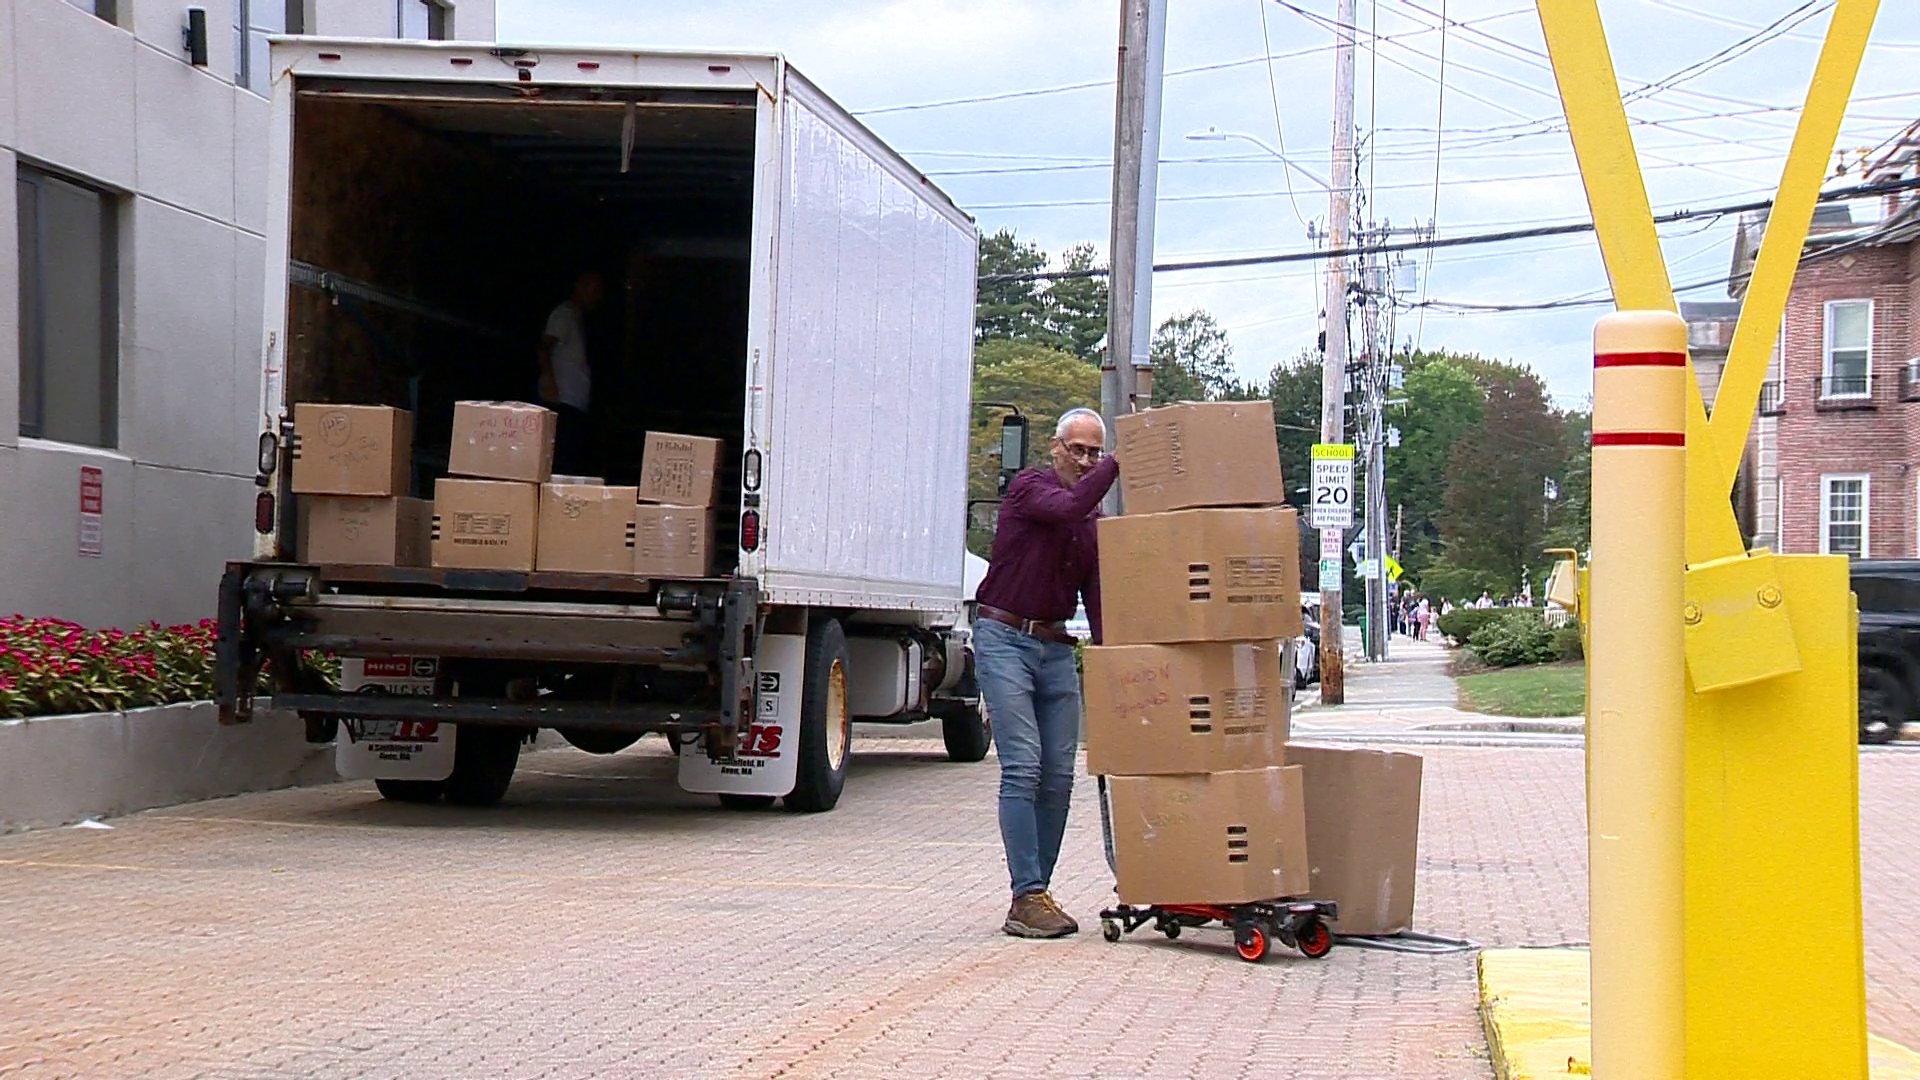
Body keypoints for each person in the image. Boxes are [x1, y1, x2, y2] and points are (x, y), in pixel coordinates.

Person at [973, 407, 1121, 939]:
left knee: (1059, 774)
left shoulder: (1092, 526)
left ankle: (1037, 893)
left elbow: (1097, 598)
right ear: (1055, 448)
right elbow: (1070, 506)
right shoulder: (1030, 489)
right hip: (1003, 637)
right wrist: (1118, 465)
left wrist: (1114, 660)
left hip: (1056, 646)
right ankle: (1026, 893)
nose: (1084, 461)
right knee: (1024, 766)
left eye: (1094, 452)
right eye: (1077, 450)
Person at [537, 270, 605, 477]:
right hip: (563, 402)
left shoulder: (577, 318)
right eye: (595, 290)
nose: (598, 296)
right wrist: (549, 379)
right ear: (581, 287)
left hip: (575, 403)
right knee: (562, 460)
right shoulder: (564, 314)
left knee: (571, 458)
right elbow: (543, 347)